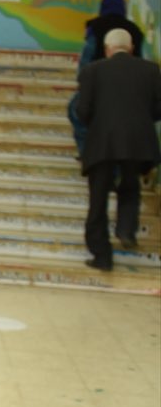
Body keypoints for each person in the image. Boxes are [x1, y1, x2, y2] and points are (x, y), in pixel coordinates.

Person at [75, 27, 161, 271]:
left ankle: (102, 256)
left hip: (102, 141)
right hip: (137, 141)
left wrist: (99, 124)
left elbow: (82, 111)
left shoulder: (92, 71)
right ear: (131, 48)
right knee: (130, 187)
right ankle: (126, 229)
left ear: (107, 49)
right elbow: (158, 109)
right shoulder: (151, 70)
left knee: (98, 198)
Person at [68, 0, 145, 156]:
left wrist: (83, 85)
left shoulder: (95, 27)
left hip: (98, 88)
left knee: (75, 111)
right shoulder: (135, 31)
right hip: (129, 91)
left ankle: (86, 152)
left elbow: (86, 62)